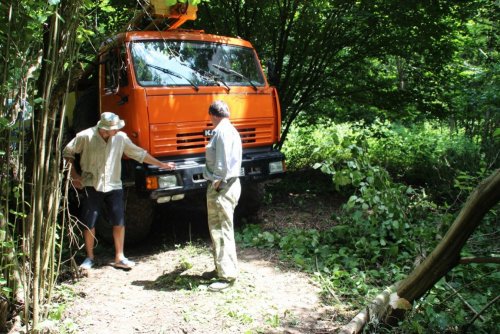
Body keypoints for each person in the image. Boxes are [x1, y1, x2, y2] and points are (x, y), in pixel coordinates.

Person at [63, 112, 175, 270]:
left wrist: (161, 165)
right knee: (89, 223)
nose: (117, 130)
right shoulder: (85, 136)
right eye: (114, 129)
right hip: (91, 184)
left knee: (119, 221)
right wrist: (74, 176)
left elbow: (139, 154)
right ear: (104, 129)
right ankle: (89, 257)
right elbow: (67, 153)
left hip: (114, 185)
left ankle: (119, 257)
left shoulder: (120, 137)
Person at [202, 100, 242, 291]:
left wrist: (217, 182)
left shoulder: (221, 131)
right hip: (228, 185)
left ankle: (227, 276)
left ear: (213, 115)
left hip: (223, 187)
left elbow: (223, 163)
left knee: (223, 230)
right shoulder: (231, 129)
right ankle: (221, 267)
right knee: (217, 228)